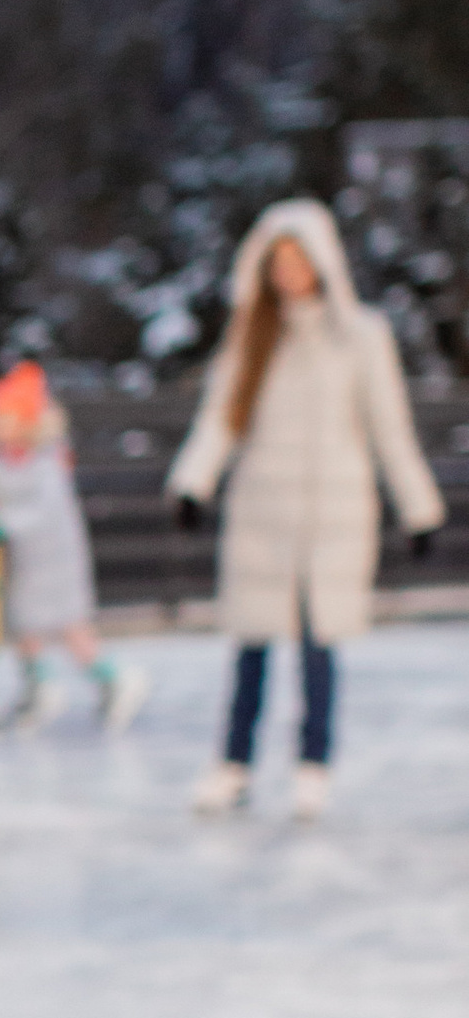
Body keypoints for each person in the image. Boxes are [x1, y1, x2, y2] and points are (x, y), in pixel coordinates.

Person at [166, 198, 443, 820]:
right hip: (262, 512)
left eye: (299, 259)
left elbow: (390, 429)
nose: (289, 272)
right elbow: (220, 420)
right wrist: (193, 483)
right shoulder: (251, 335)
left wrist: (418, 508)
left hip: (333, 514)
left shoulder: (361, 337)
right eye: (278, 261)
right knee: (251, 645)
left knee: (320, 646)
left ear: (323, 262)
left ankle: (313, 766)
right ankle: (233, 764)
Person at [0, 360, 147, 729]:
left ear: (27, 421)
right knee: (21, 627)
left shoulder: (47, 461)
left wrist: (0, 524)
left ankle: (116, 679)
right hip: (19, 562)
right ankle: (39, 688)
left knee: (72, 629)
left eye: (6, 417)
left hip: (56, 560)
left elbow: (43, 511)